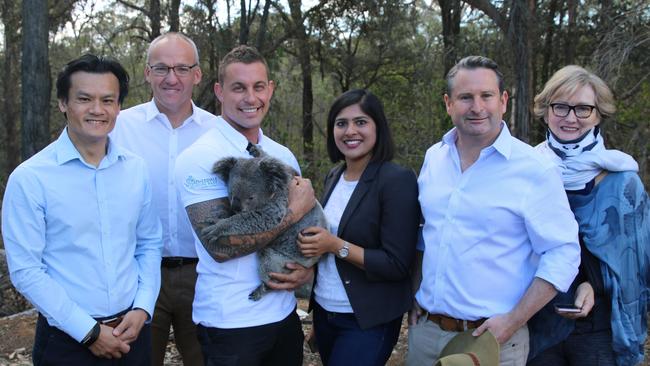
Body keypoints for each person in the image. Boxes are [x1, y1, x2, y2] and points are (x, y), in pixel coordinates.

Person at [406, 55, 581, 366]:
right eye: (465, 97)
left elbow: (563, 253)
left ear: (503, 101)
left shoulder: (535, 169)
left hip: (493, 340)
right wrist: (415, 291)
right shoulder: (434, 158)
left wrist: (513, 320)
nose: (477, 107)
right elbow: (427, 233)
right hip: (426, 333)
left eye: (486, 96)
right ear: (448, 103)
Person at [2, 54, 162, 364]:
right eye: (84, 99)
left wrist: (143, 307)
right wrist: (88, 332)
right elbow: (26, 270)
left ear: (118, 107)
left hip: (133, 333)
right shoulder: (30, 178)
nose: (97, 110)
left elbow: (149, 244)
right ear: (63, 103)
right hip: (66, 342)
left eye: (108, 100)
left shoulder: (136, 170)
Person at [174, 45, 316, 366]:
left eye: (258, 87)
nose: (250, 98)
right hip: (231, 325)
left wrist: (306, 268)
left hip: (283, 315)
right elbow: (220, 245)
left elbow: (302, 232)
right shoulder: (201, 158)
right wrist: (292, 211)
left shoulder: (283, 155)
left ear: (271, 89)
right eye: (239, 88)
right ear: (219, 92)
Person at [526, 65, 649, 366]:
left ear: (598, 113)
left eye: (583, 108)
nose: (571, 118)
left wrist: (593, 285)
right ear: (546, 110)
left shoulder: (623, 182)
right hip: (533, 323)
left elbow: (636, 266)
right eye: (561, 107)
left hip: (599, 331)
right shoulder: (524, 171)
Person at [111, 32, 217, 366]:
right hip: (137, 274)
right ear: (146, 73)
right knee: (137, 360)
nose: (171, 78)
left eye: (182, 69)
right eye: (161, 68)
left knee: (206, 359)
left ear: (197, 75)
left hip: (203, 274)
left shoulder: (218, 132)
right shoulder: (117, 127)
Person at [297, 89, 420, 365]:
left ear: (378, 127)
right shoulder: (334, 176)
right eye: (341, 123)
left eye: (361, 122)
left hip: (367, 320)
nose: (350, 131)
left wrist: (334, 245)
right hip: (327, 314)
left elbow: (397, 263)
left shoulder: (396, 180)